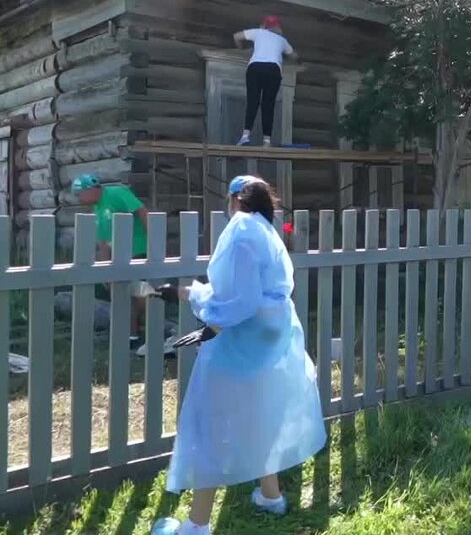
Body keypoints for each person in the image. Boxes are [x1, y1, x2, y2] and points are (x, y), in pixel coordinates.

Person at [151, 176, 326, 535]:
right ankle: (270, 496)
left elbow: (237, 300)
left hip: (242, 337)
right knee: (261, 413)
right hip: (272, 336)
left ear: (234, 199)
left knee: (210, 423)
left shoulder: (240, 229)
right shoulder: (266, 230)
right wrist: (188, 293)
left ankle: (196, 525)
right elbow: (245, 289)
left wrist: (210, 325)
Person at [71, 173, 152, 348]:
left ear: (91, 189)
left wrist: (154, 243)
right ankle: (132, 337)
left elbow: (142, 212)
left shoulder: (116, 193)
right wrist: (105, 269)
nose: (79, 198)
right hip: (119, 257)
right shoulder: (97, 208)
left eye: (80, 193)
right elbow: (103, 242)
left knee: (140, 292)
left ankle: (156, 332)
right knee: (123, 295)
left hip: (137, 249)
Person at [232, 16, 297, 147]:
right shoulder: (282, 40)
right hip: (273, 69)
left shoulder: (258, 32)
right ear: (278, 27)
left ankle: (245, 136)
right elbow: (294, 56)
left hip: (255, 68)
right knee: (268, 105)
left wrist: (241, 49)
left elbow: (236, 36)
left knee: (253, 101)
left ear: (264, 25)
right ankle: (266, 141)